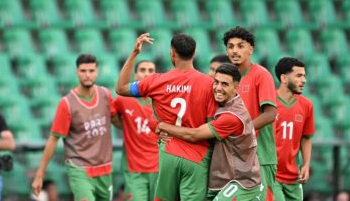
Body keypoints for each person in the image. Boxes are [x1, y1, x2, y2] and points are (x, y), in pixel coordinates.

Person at [116, 33, 217, 201]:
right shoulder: (208, 84)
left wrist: (135, 53)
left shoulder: (157, 81)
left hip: (168, 153)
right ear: (194, 53)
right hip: (197, 155)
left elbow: (121, 88)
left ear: (172, 53)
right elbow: (213, 122)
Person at [156, 63, 263, 200]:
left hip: (240, 183)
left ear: (236, 87)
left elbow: (194, 135)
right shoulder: (227, 105)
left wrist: (163, 126)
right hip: (225, 182)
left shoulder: (232, 117)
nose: (218, 88)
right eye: (216, 82)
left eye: (224, 84)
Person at [32, 54, 116, 201]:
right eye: (83, 71)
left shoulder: (105, 95)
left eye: (91, 70)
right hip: (80, 169)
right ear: (76, 72)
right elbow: (53, 139)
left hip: (104, 168)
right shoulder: (67, 104)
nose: (87, 75)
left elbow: (118, 121)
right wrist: (39, 174)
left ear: (97, 71)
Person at [222, 26, 277, 200]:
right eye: (230, 47)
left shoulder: (261, 75)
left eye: (240, 46)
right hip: (234, 155)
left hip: (260, 154)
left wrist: (242, 131)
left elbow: (270, 114)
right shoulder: (226, 80)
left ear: (251, 49)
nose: (235, 51)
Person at [113, 60, 158, 201]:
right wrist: (124, 125)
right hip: (134, 169)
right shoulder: (123, 100)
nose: (147, 74)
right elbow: (112, 114)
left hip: (159, 167)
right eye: (143, 70)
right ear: (135, 75)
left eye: (151, 70)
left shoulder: (162, 100)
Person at [273, 57, 315, 201]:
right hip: (271, 176)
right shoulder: (268, 102)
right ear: (284, 78)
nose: (304, 80)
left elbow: (306, 137)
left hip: (294, 177)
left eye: (304, 76)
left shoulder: (306, 105)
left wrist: (306, 164)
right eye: (298, 76)